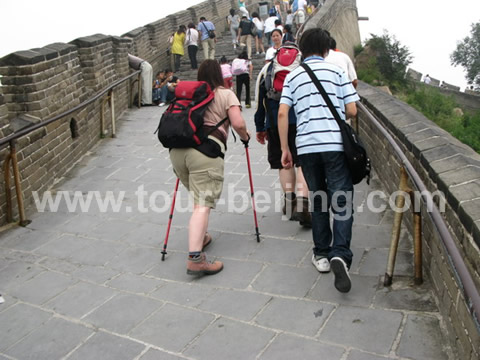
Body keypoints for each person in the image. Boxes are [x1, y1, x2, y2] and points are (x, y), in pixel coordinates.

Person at [278, 28, 360, 293]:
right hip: (335, 145)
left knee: (318, 198)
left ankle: (322, 255)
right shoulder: (337, 72)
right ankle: (340, 253)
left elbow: (282, 113)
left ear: (302, 49)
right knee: (342, 199)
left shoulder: (293, 75)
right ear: (326, 49)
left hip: (306, 146)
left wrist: (284, 149)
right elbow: (352, 109)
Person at [169, 59, 250, 276]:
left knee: (199, 200)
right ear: (220, 75)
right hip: (204, 154)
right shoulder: (225, 94)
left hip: (177, 152)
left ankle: (201, 237)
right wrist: (246, 137)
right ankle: (195, 259)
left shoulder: (191, 94)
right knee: (202, 205)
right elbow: (238, 123)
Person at [254, 63, 311, 225]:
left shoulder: (268, 69)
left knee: (283, 163)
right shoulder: (302, 67)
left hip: (275, 122)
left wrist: (260, 127)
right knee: (302, 163)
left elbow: (260, 101)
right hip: (301, 121)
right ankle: (302, 203)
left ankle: (288, 202)